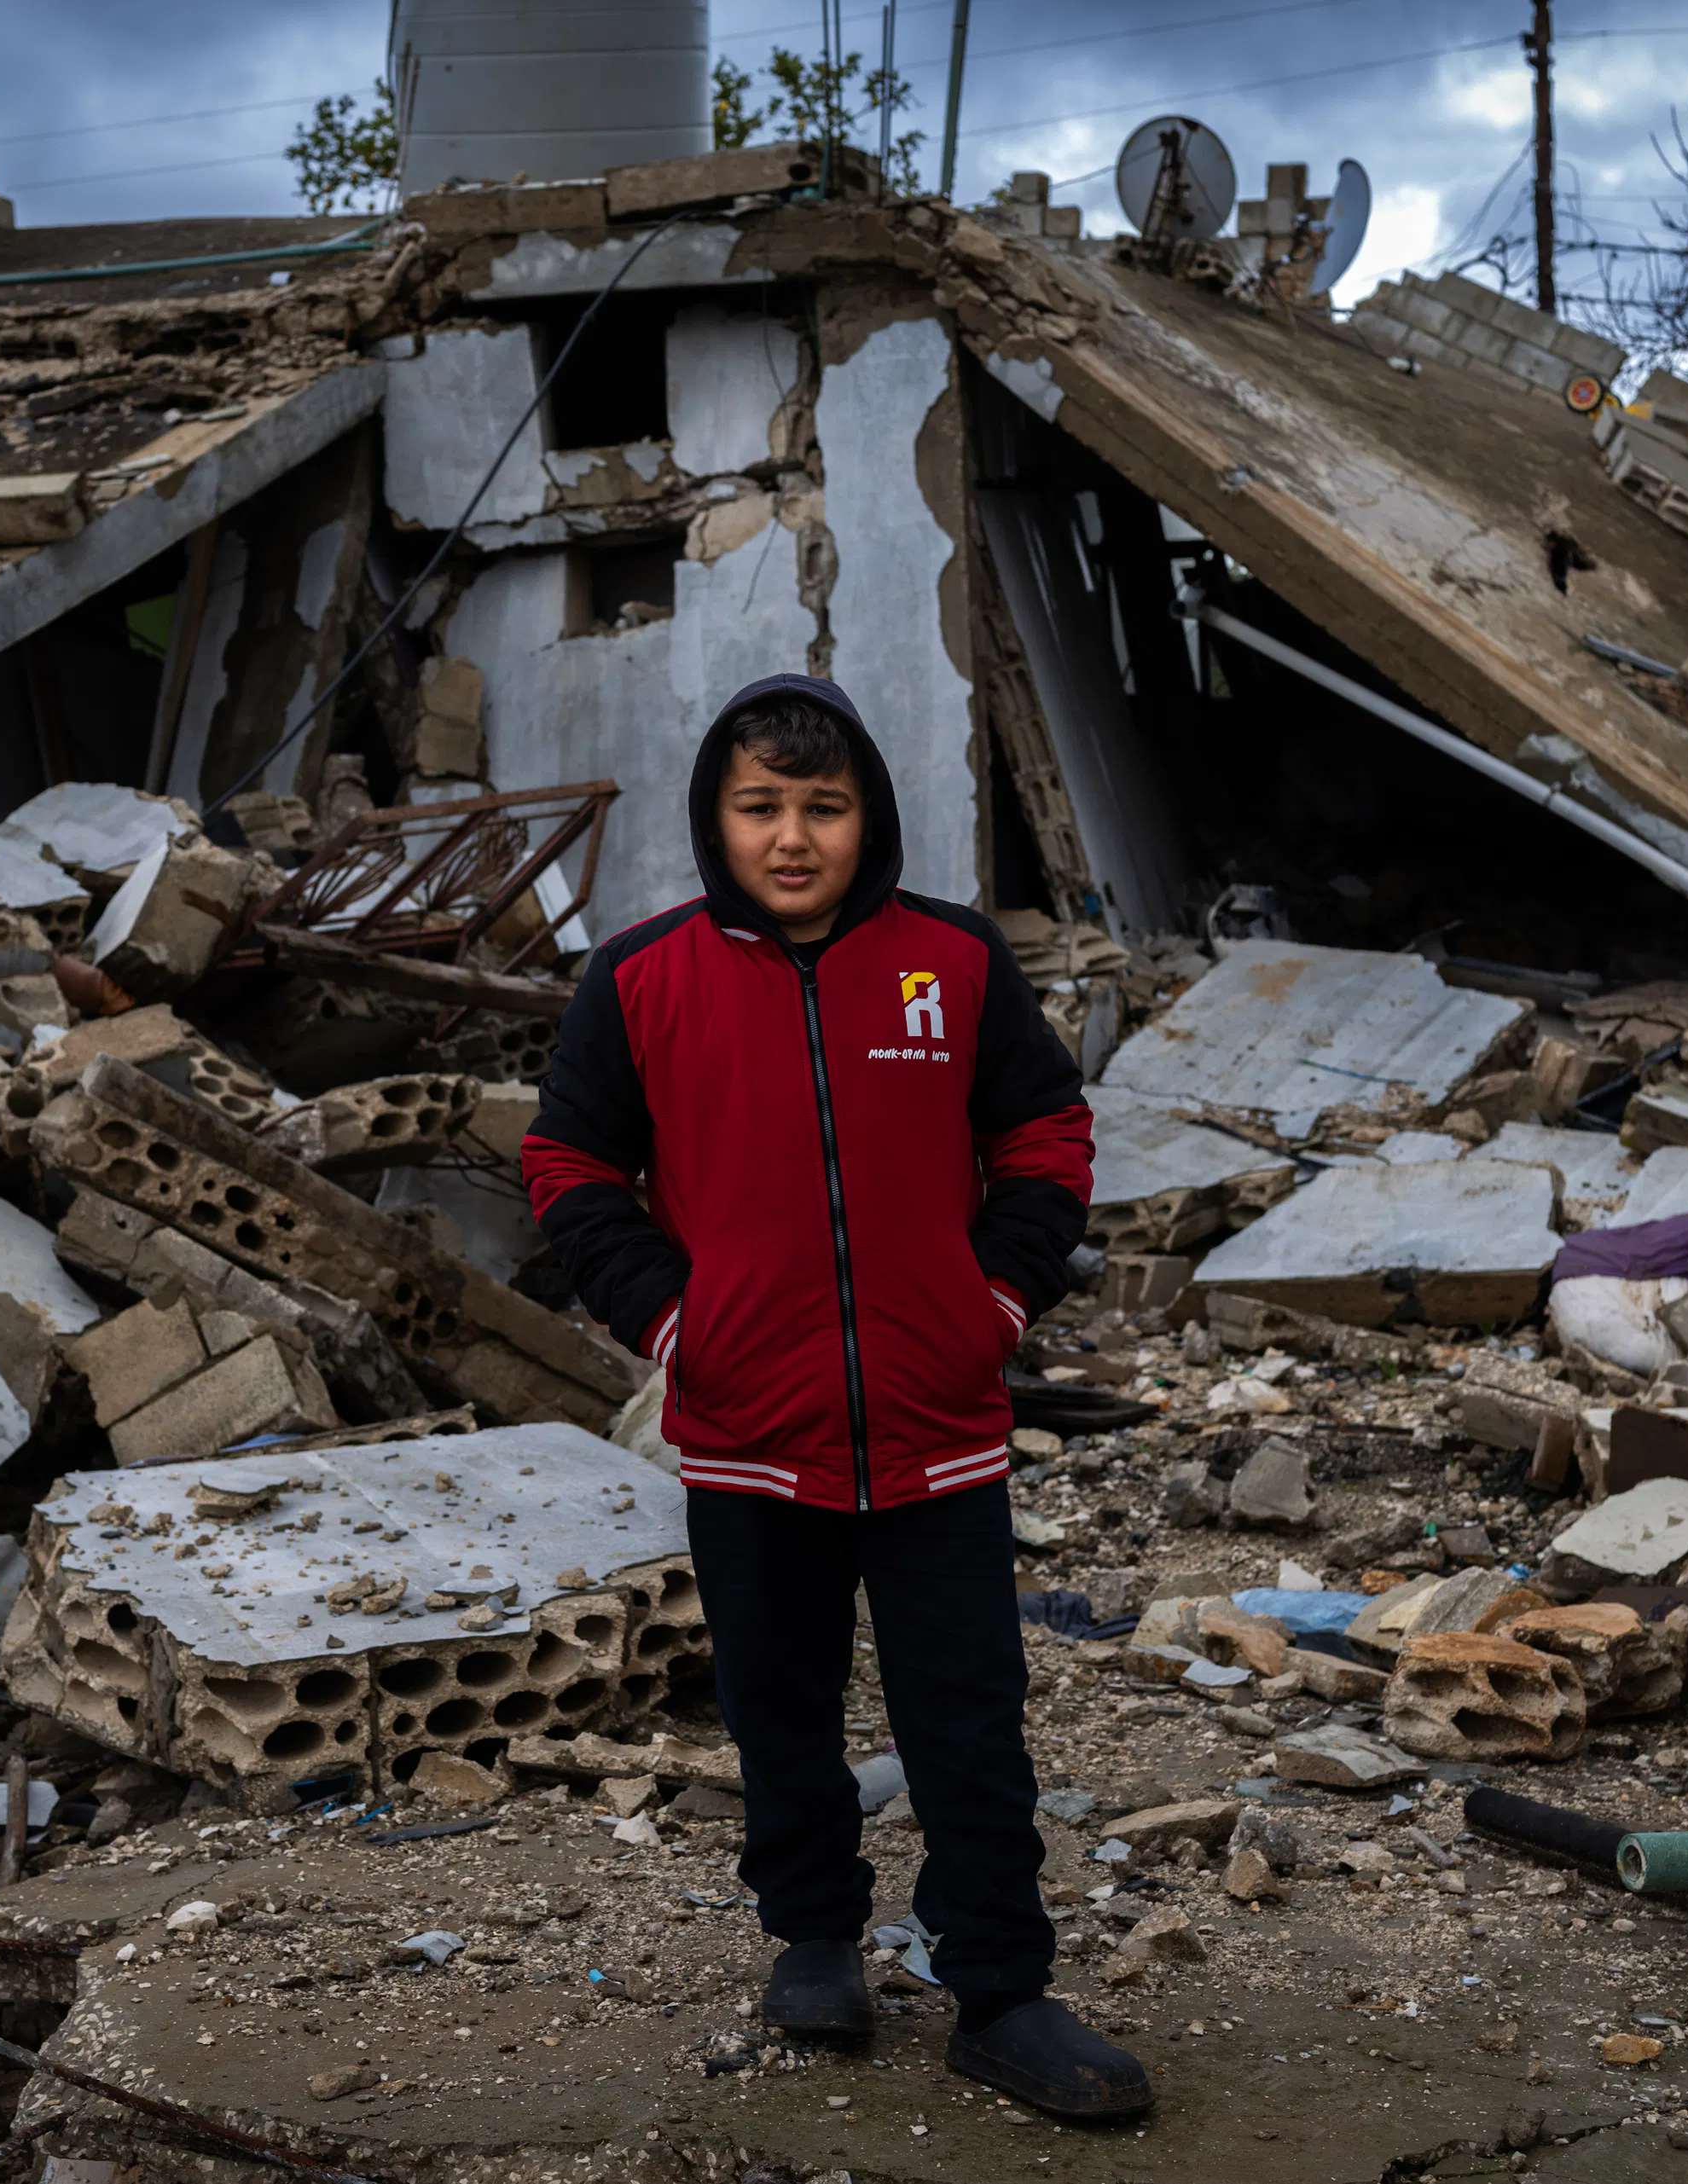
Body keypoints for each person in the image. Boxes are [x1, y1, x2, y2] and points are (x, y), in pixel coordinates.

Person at [522, 674, 1151, 2121]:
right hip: (750, 1433)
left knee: (970, 1719)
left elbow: (1047, 1134)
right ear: (717, 818)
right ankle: (813, 1939)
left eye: (822, 806)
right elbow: (567, 1166)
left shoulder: (952, 963)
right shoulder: (640, 978)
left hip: (938, 1435)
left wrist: (990, 1307)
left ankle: (1000, 1991)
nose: (792, 838)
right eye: (761, 808)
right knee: (779, 1708)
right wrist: (677, 1323)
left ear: (866, 813)